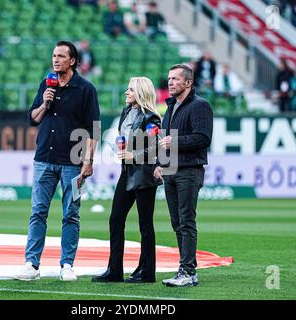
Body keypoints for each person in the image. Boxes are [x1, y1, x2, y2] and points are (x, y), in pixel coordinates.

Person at [15, 40, 100, 281]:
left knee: (71, 213)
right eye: (54, 55)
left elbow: (94, 128)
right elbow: (32, 118)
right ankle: (32, 264)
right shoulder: (46, 83)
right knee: (38, 211)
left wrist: (88, 161)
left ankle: (67, 265)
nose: (56, 59)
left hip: (73, 162)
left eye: (61, 56)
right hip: (44, 159)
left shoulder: (85, 89)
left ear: (72, 60)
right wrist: (44, 103)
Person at [92, 77, 162, 283]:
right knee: (115, 219)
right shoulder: (126, 112)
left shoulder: (152, 118)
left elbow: (156, 146)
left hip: (144, 173)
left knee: (145, 224)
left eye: (130, 89)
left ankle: (147, 272)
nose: (126, 92)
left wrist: (135, 155)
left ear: (140, 93)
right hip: (127, 171)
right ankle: (114, 270)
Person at [153, 64, 213, 287]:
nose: (170, 82)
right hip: (171, 171)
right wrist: (160, 163)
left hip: (189, 170)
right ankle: (187, 269)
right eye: (169, 78)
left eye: (176, 79)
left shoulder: (200, 106)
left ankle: (187, 271)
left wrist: (174, 142)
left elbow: (203, 138)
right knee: (177, 222)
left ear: (188, 83)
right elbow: (164, 141)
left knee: (186, 220)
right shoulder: (171, 106)